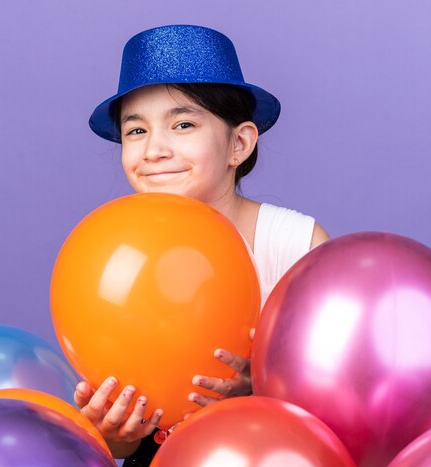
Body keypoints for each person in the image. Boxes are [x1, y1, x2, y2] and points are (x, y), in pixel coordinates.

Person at [74, 24, 330, 464]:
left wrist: (263, 388)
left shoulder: (295, 245)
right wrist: (113, 432)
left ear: (239, 143)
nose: (154, 149)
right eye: (136, 131)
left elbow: (338, 400)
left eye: (183, 124)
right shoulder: (115, 254)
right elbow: (124, 443)